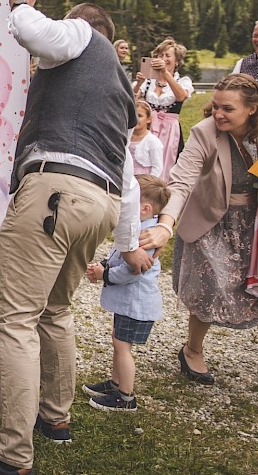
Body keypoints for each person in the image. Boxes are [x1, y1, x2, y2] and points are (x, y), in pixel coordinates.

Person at [0, 0, 149, 475]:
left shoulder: (83, 34)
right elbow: (126, 181)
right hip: (97, 205)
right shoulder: (121, 93)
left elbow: (35, 33)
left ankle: (13, 455)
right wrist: (125, 245)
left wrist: (22, 2)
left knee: (16, 318)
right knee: (56, 309)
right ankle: (55, 419)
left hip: (55, 194)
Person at [140, 73, 258, 384]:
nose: (218, 114)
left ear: (253, 108)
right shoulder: (205, 133)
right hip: (212, 219)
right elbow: (181, 180)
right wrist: (165, 224)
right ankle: (192, 350)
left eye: (228, 109)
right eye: (215, 106)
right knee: (211, 282)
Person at [83, 174, 170, 412]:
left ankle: (126, 396)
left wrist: (105, 275)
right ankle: (115, 382)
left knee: (123, 346)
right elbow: (118, 255)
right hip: (129, 303)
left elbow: (134, 270)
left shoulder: (145, 236)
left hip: (137, 304)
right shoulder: (138, 228)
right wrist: (103, 264)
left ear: (145, 208)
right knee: (117, 339)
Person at [133, 38, 193, 182]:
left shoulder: (183, 81)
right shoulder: (148, 81)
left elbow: (181, 96)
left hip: (170, 131)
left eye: (167, 55)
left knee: (166, 167)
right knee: (143, 163)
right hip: (147, 129)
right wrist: (139, 83)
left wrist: (165, 73)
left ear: (177, 61)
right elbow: (130, 100)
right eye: (160, 55)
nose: (163, 58)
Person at [129, 99, 164, 177]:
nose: (136, 119)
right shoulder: (126, 138)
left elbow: (157, 167)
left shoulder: (152, 141)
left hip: (144, 180)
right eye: (133, 116)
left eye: (140, 116)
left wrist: (149, 184)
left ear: (148, 119)